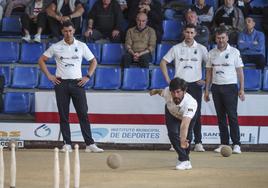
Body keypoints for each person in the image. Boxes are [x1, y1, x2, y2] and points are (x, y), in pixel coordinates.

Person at [38, 21, 104, 153]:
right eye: (65, 31)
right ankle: (67, 144)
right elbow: (41, 60)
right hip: (61, 83)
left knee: (83, 114)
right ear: (62, 32)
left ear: (74, 30)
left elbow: (94, 61)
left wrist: (88, 76)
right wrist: (50, 76)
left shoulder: (81, 45)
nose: (68, 33)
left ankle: (90, 144)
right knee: (64, 115)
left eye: (70, 31)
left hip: (77, 83)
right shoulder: (56, 46)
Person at [160, 24, 208, 152]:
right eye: (187, 32)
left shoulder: (202, 48)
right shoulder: (176, 48)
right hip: (179, 86)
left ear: (195, 34)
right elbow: (163, 62)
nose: (189, 35)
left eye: (192, 33)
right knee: (176, 113)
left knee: (195, 115)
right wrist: (168, 80)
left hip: (195, 85)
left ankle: (198, 142)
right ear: (183, 33)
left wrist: (206, 81)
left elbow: (210, 66)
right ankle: (175, 142)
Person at [204, 27, 245, 154]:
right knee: (220, 117)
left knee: (232, 116)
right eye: (218, 38)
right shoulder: (211, 53)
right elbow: (209, 73)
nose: (221, 40)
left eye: (223, 37)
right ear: (215, 38)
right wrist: (207, 90)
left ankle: (237, 144)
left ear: (227, 38)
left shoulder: (234, 52)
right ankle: (224, 143)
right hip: (216, 87)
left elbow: (240, 72)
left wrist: (242, 89)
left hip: (230, 87)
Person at [150, 77, 197, 170]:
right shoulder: (168, 91)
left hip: (186, 117)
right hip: (171, 113)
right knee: (172, 133)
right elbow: (161, 92)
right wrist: (155, 91)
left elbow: (184, 124)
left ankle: (183, 158)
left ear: (185, 91)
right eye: (173, 92)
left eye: (178, 92)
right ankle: (185, 160)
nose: (175, 95)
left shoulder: (191, 103)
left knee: (187, 137)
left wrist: (183, 140)